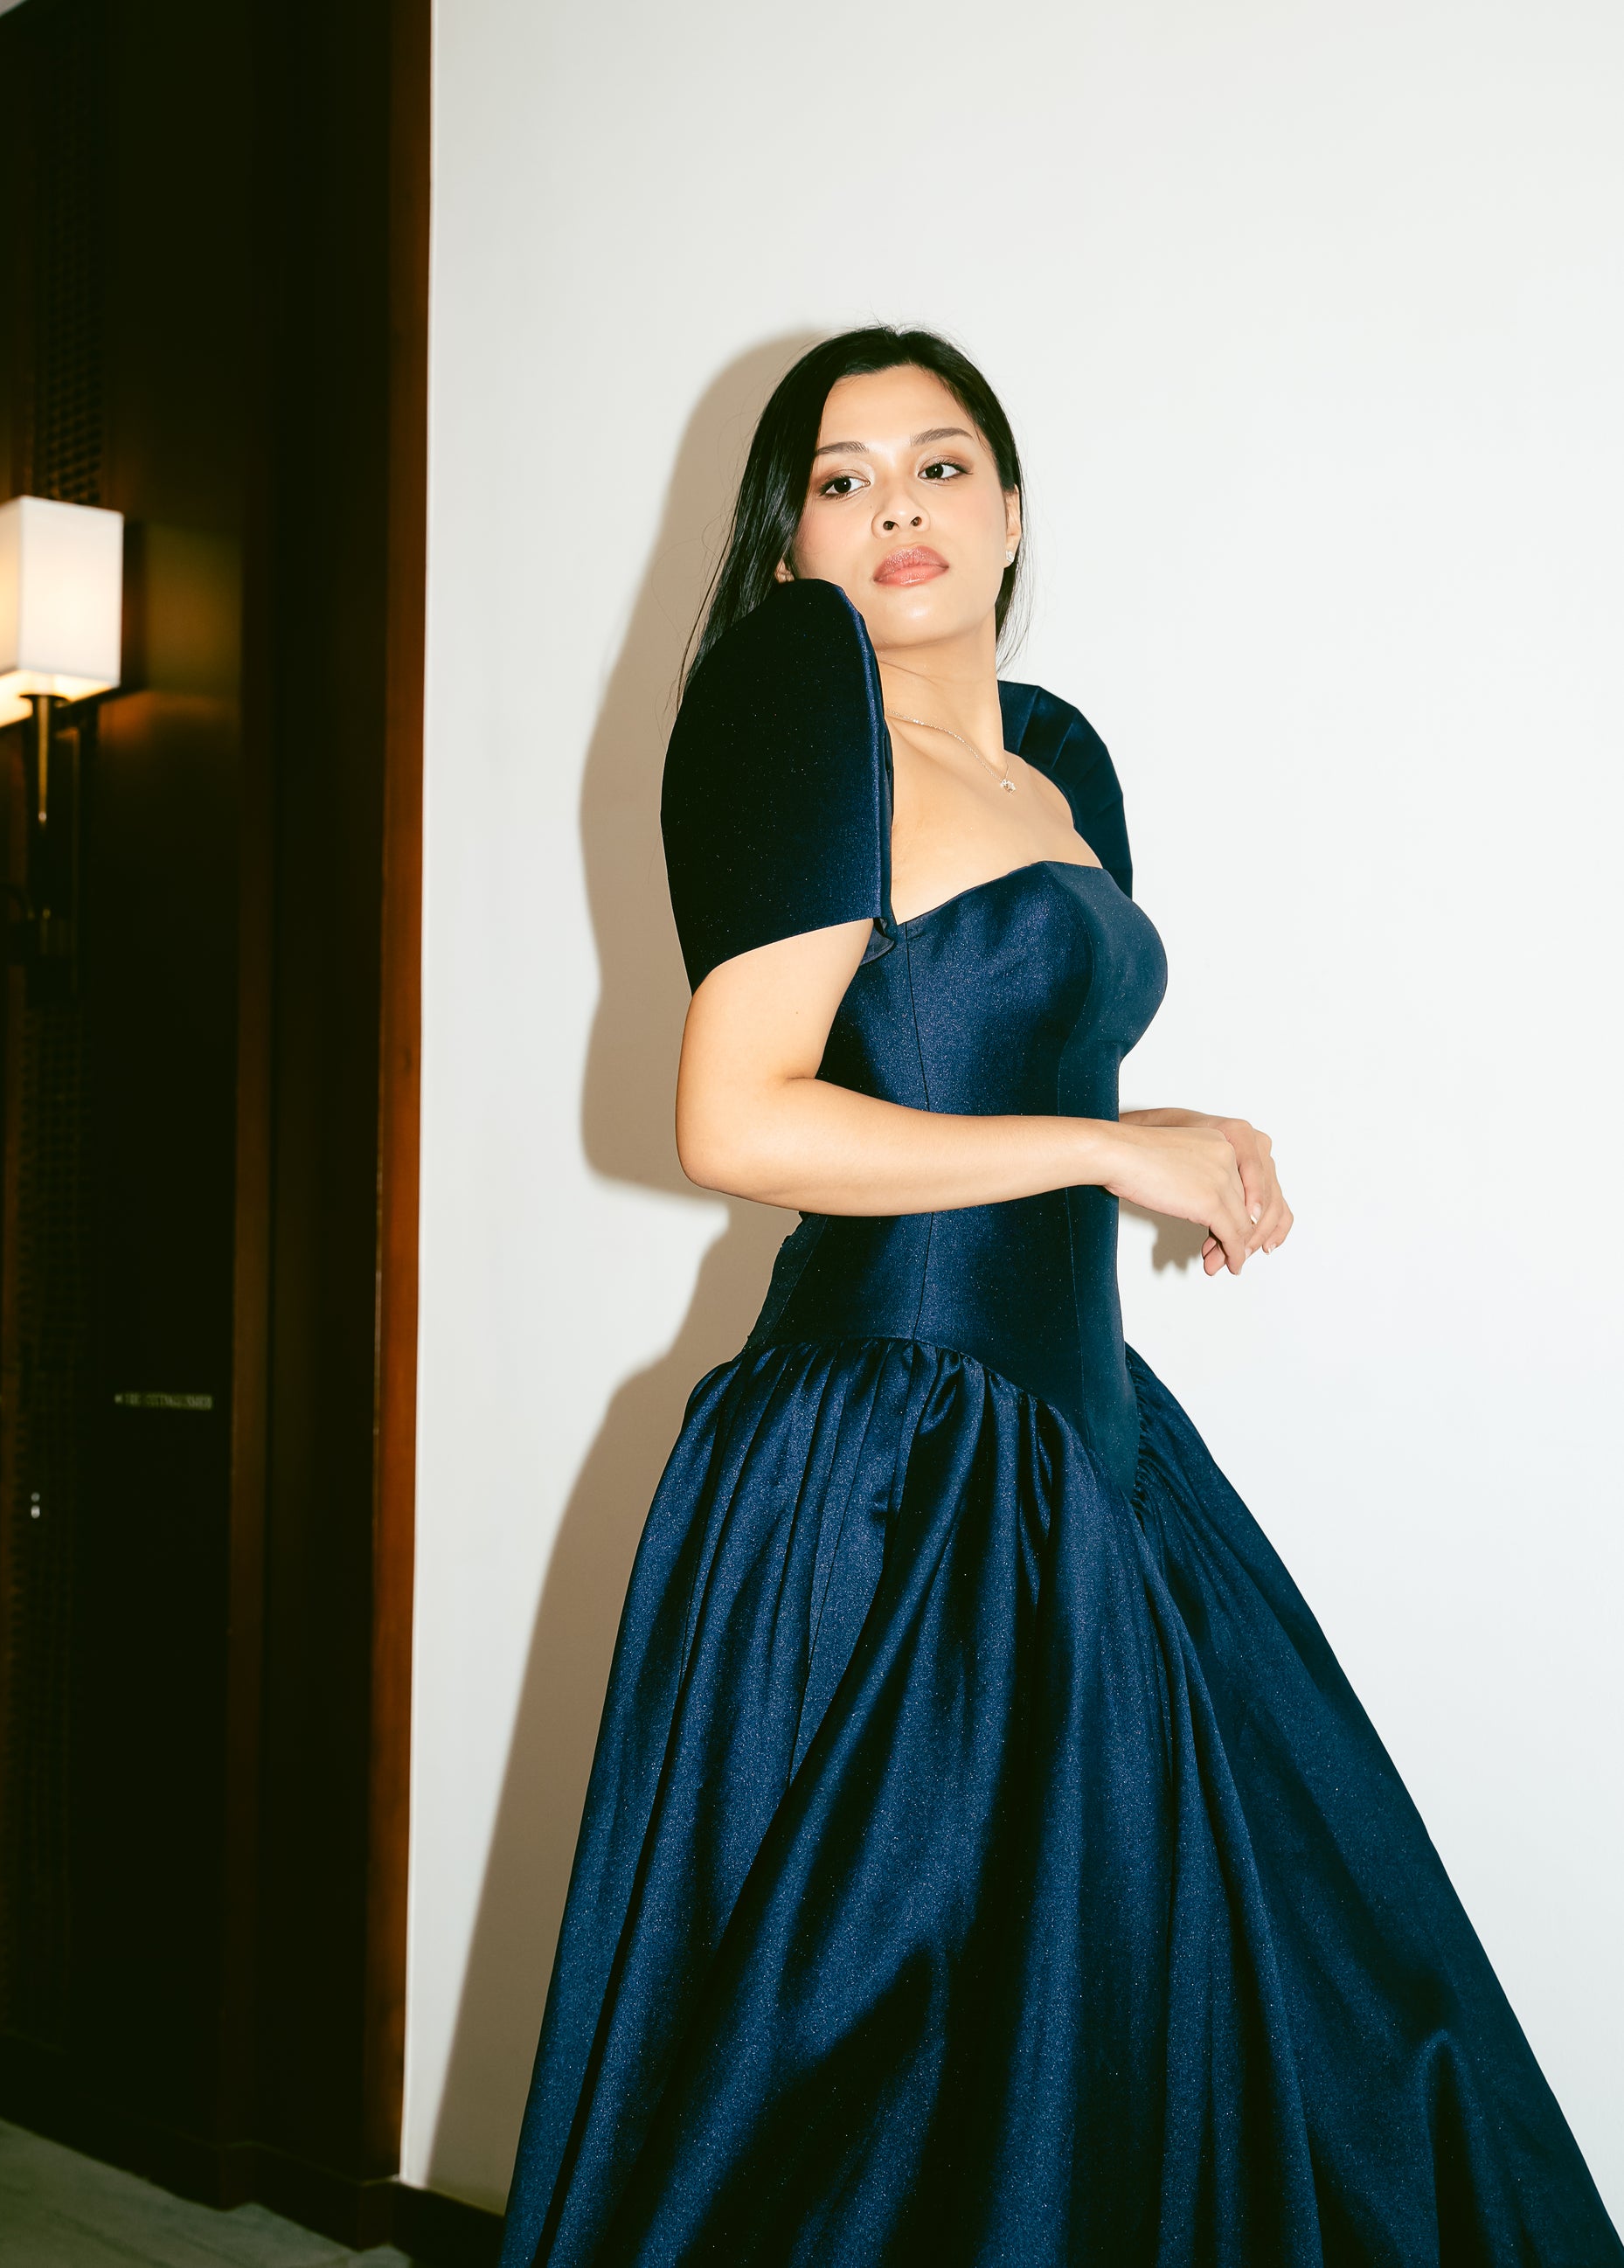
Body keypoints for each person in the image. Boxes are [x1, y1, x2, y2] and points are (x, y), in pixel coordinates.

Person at [499, 328, 1620, 2266]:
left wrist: (1137, 1125)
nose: (896, 507)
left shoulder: (1055, 759)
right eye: (840, 480)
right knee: (876, 2076)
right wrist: (1105, 1153)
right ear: (789, 544)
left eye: (939, 464)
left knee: (1298, 2007)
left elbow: (968, 1055)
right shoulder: (791, 706)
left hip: (1076, 1448)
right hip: (886, 1462)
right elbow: (738, 1118)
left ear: (1010, 510)